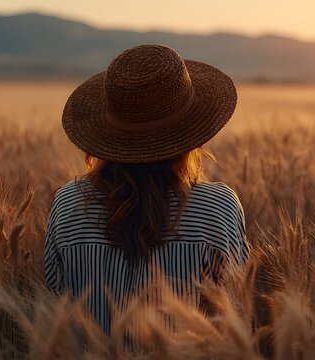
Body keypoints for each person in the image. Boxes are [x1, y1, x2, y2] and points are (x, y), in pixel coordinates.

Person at [44, 44, 249, 334]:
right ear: (192, 137)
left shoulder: (67, 203)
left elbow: (54, 311)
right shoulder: (218, 207)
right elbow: (235, 320)